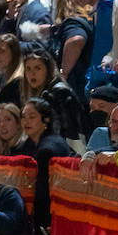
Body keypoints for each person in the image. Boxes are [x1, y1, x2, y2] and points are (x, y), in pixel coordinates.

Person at [21, 97, 74, 226]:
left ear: (46, 120)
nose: (26, 121)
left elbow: (42, 193)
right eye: (23, 117)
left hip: (52, 214)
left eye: (32, 117)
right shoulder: (29, 144)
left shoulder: (48, 149)